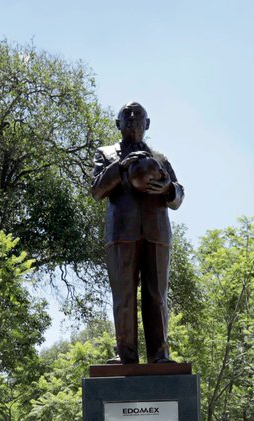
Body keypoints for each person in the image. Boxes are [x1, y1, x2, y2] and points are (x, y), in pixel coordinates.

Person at [90, 101, 184, 364]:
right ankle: (126, 355)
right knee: (124, 295)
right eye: (126, 115)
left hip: (157, 233)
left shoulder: (160, 159)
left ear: (148, 124)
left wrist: (168, 189)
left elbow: (178, 196)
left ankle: (160, 355)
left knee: (157, 296)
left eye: (138, 115)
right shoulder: (106, 154)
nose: (132, 119)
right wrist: (120, 167)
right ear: (118, 124)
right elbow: (97, 190)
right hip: (121, 233)